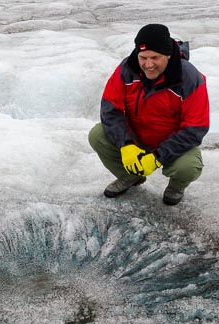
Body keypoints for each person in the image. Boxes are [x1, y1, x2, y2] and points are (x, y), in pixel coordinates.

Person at [88, 24, 209, 205]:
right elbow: (110, 109)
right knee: (97, 135)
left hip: (171, 142)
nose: (148, 64)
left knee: (188, 167)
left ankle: (176, 187)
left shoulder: (190, 78)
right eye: (143, 57)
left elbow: (196, 128)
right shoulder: (127, 69)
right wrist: (126, 144)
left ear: (167, 55)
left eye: (155, 58)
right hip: (136, 137)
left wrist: (158, 157)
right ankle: (131, 176)